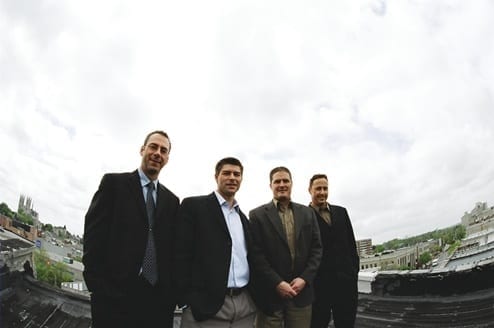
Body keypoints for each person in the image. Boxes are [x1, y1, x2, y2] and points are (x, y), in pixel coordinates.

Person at [82, 130, 180, 328]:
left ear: (167, 158)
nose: (157, 153)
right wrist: (98, 287)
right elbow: (93, 235)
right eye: (153, 147)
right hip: (113, 299)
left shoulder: (172, 201)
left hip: (157, 304)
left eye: (163, 150)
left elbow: (172, 250)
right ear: (142, 149)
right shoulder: (114, 184)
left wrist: (170, 296)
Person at [174, 157, 257, 327]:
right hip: (206, 308)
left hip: (244, 307)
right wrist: (186, 300)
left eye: (237, 174)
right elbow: (180, 254)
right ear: (216, 176)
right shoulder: (194, 206)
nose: (232, 177)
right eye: (226, 173)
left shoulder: (243, 218)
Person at [249, 166, 322, 328]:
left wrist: (304, 278)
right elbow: (256, 255)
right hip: (270, 296)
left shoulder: (307, 213)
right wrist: (277, 282)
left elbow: (317, 249)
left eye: (285, 181)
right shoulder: (257, 215)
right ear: (271, 186)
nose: (282, 184)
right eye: (277, 181)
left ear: (291, 184)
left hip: (301, 295)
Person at [308, 174, 359, 328]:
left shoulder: (341, 212)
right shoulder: (304, 216)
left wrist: (353, 273)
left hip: (346, 285)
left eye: (325, 188)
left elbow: (351, 245)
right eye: (318, 189)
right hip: (319, 288)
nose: (322, 192)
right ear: (309, 190)